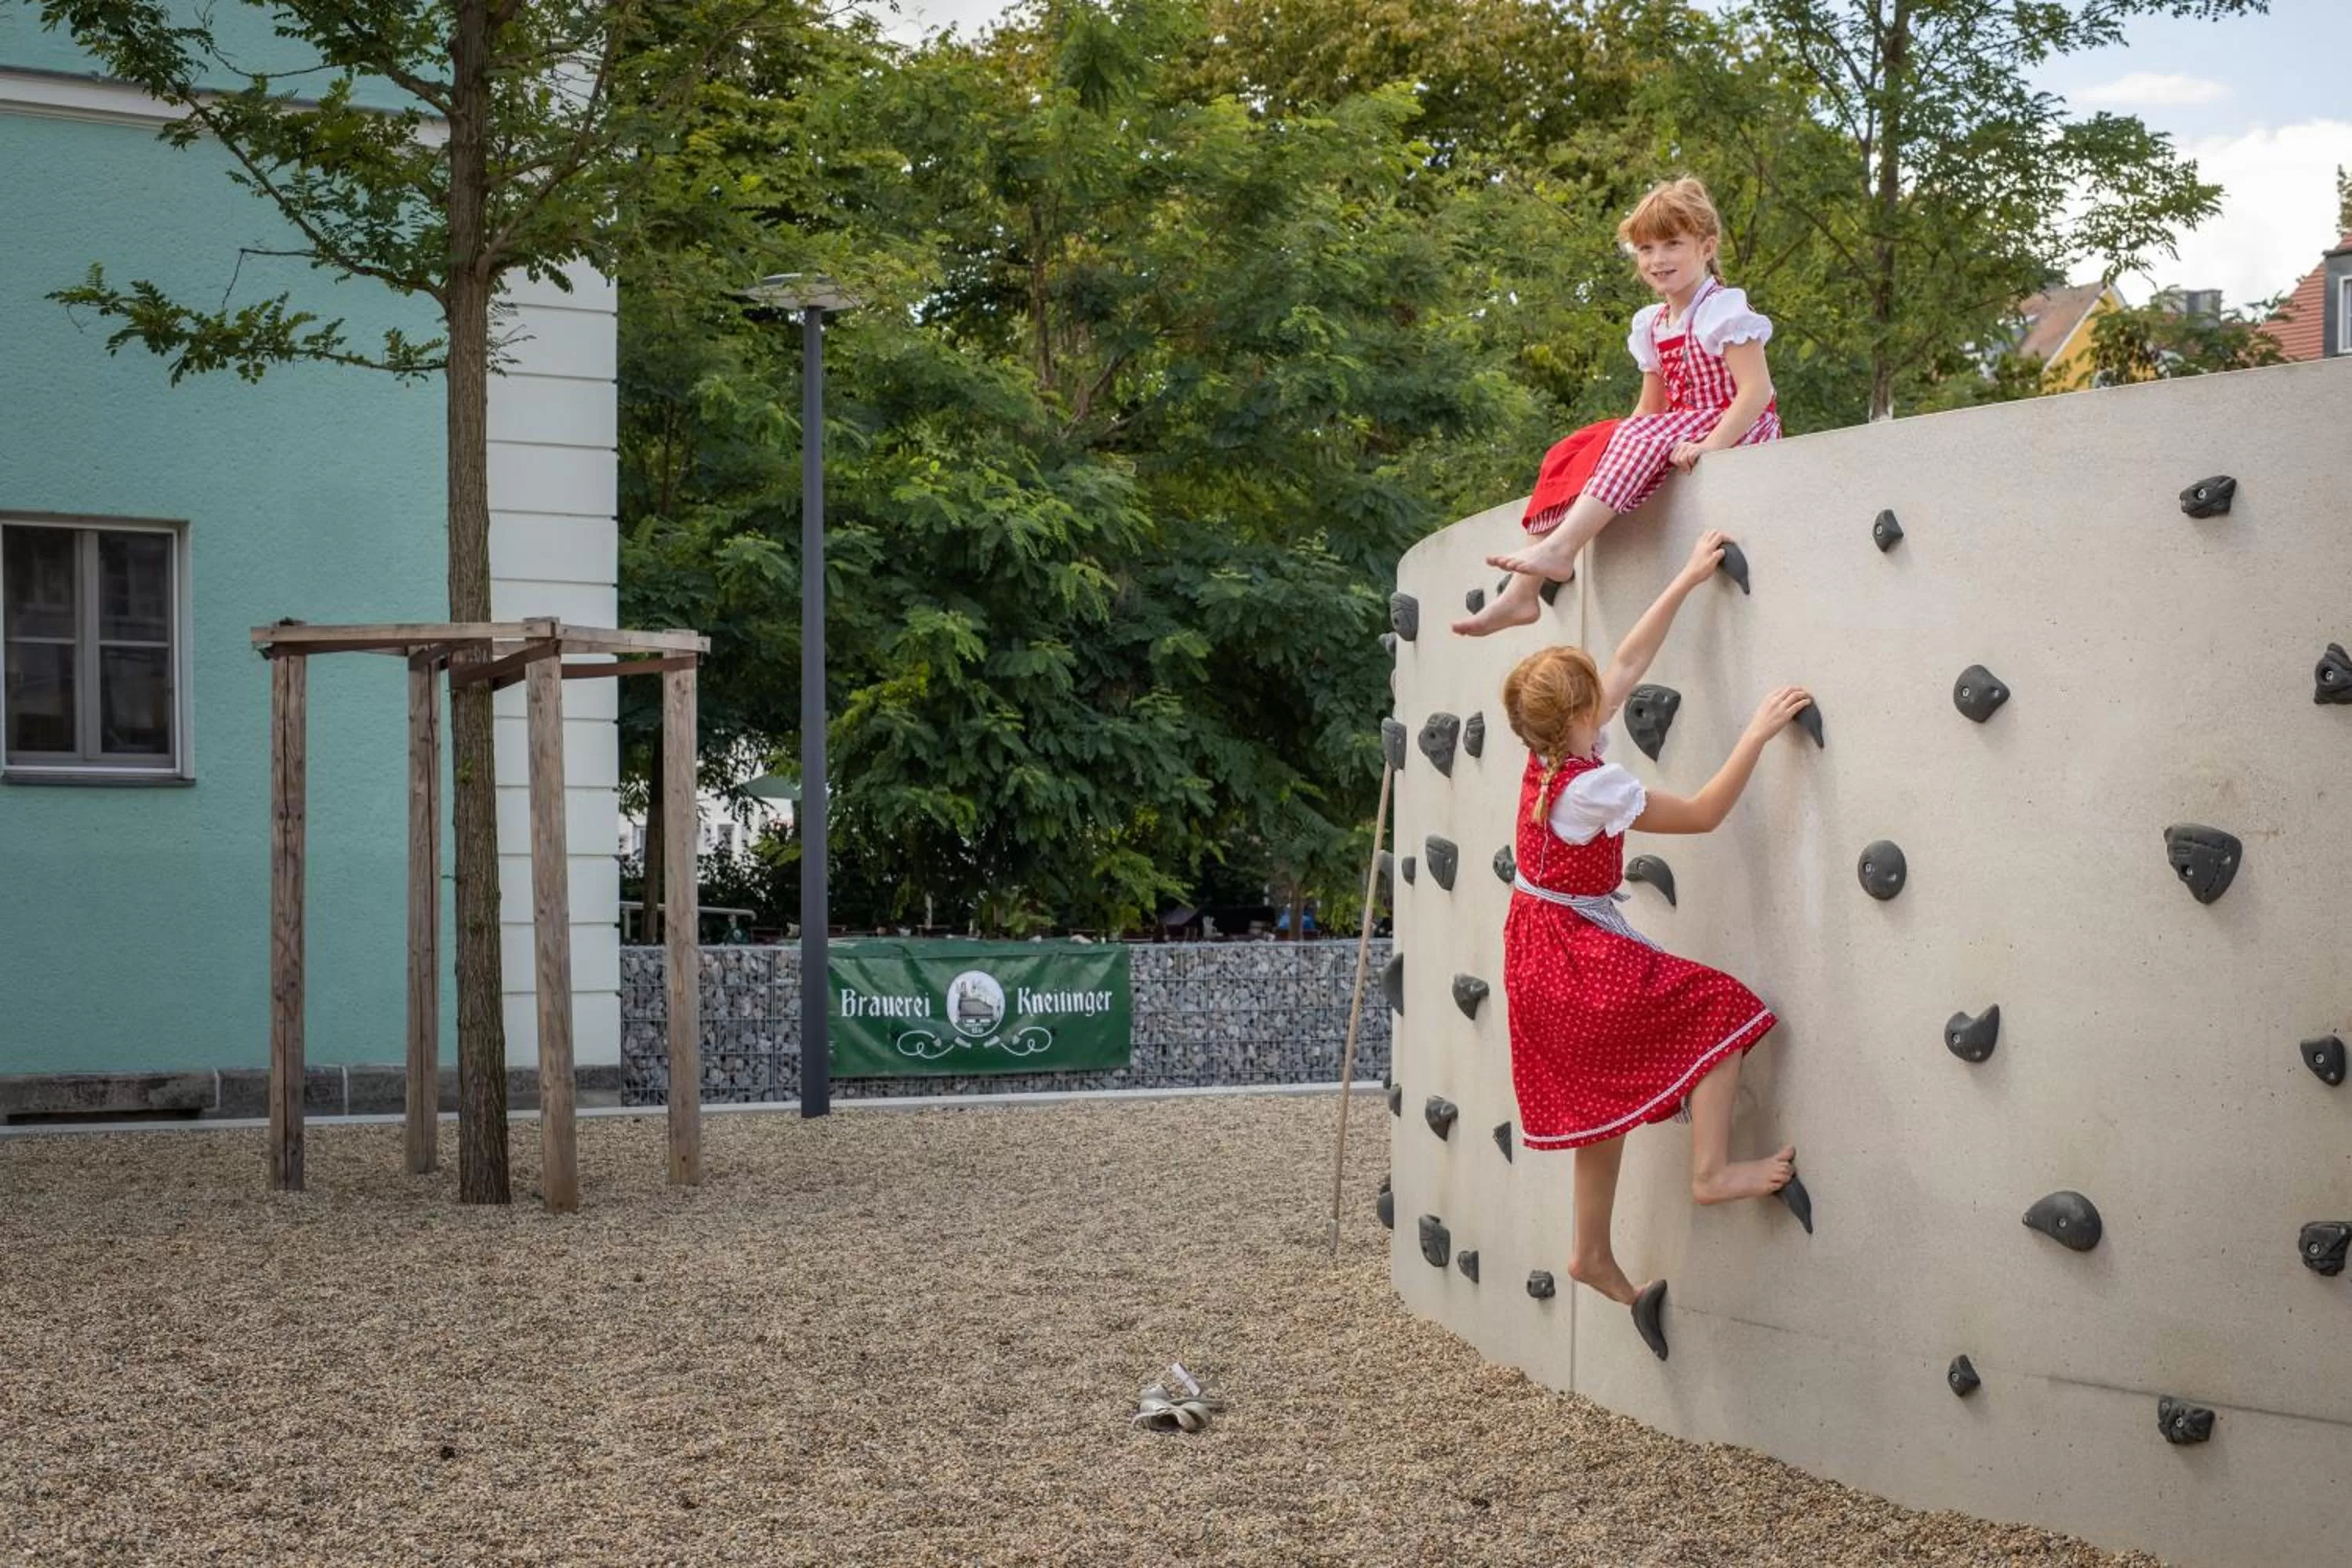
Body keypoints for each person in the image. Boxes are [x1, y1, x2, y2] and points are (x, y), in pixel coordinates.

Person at [1498, 529, 1812, 1359]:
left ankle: (1592, 1252)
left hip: (1535, 953)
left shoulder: (1546, 753)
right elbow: (1705, 813)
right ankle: (1711, 1171)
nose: (1611, 691)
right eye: (1594, 695)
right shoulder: (1596, 784)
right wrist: (1755, 731)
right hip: (1571, 952)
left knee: (1601, 1100)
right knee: (1722, 1008)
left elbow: (1630, 659)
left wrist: (1684, 575)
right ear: (1576, 716)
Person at [1457, 178, 1781, 637]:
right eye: (1646, 248)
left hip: (1735, 423)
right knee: (1576, 447)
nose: (1658, 259)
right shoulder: (1651, 323)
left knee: (1630, 437)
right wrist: (1605, 447)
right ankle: (1522, 594)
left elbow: (1757, 391)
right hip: (1679, 426)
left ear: (1706, 247)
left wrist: (1711, 444)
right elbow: (1650, 408)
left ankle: (1563, 548)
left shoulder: (1722, 310)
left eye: (1673, 244)